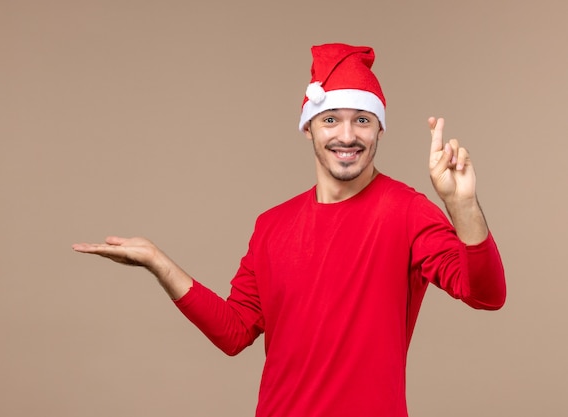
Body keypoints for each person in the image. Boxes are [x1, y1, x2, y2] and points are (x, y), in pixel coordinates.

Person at [73, 43, 506, 416]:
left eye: (362, 120)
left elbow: (486, 294)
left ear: (379, 129)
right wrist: (157, 261)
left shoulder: (407, 210)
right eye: (331, 119)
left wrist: (461, 204)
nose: (347, 135)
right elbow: (234, 331)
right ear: (309, 129)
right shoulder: (272, 226)